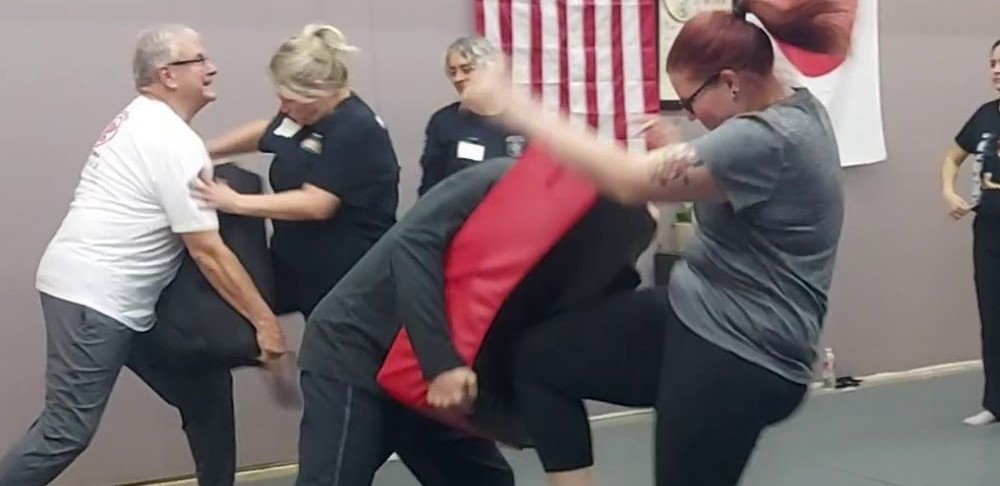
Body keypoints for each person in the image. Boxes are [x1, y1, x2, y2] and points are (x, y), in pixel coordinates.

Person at [460, 0, 854, 485]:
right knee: (539, 358)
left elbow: (627, 181)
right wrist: (675, 146)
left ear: (730, 82)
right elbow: (726, 171)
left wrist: (515, 105)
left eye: (691, 103)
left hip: (742, 353)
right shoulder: (795, 105)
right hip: (693, 313)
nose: (693, 116)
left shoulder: (766, 139)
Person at [0, 24, 286, 486]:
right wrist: (265, 323)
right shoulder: (170, 140)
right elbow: (208, 252)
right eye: (199, 60)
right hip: (93, 300)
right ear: (168, 74)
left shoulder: (144, 121)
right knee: (65, 431)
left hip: (125, 303)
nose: (211, 68)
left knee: (206, 389)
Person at [293, 159, 524, 486]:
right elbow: (413, 241)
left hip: (418, 372)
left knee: (486, 480)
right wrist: (440, 365)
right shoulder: (499, 178)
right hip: (356, 350)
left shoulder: (578, 225)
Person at [199, 24, 400, 317]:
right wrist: (203, 150)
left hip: (348, 275)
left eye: (291, 101)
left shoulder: (356, 128)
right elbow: (266, 132)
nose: (284, 107)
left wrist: (235, 202)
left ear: (321, 91)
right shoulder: (303, 112)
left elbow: (317, 204)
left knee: (336, 355)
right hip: (299, 261)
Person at [940, 38, 1000, 427]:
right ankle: (995, 403)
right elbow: (952, 157)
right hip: (990, 234)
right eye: (993, 63)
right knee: (993, 317)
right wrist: (949, 191)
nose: (996, 70)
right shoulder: (984, 115)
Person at [417, 36, 525, 196]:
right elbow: (431, 188)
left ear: (491, 71)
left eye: (467, 70)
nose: (458, 78)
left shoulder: (523, 121)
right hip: (463, 216)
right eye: (452, 72)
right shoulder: (443, 122)